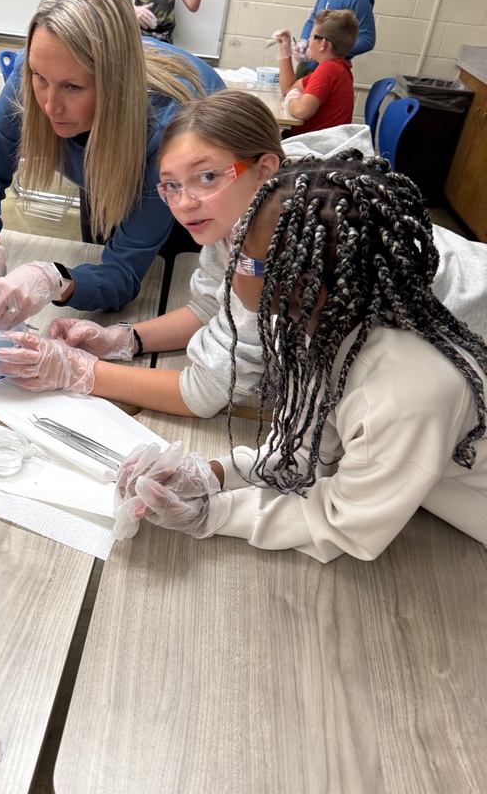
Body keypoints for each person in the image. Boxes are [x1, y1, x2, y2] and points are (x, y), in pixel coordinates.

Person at [0, 93, 487, 418]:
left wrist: (78, 371)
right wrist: (123, 339)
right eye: (169, 186)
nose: (184, 203)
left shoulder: (286, 245)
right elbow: (215, 306)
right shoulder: (246, 215)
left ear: (265, 167)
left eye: (207, 176)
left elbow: (207, 392)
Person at [113, 151, 487, 563]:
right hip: (419, 494)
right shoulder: (325, 331)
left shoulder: (404, 394)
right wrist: (211, 474)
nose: (230, 258)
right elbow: (310, 454)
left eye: (242, 253)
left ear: (300, 283)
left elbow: (346, 526)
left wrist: (212, 513)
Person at [0, 0, 226, 327]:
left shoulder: (164, 126)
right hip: (117, 156)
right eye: (40, 78)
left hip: (186, 187)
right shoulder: (34, 74)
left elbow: (123, 274)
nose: (50, 106)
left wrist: (55, 279)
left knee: (167, 287)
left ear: (115, 85)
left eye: (73, 86)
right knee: (94, 250)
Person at [273, 9, 358, 136]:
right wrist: (284, 50)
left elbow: (301, 111)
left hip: (313, 148)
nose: (309, 41)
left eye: (312, 37)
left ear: (323, 44)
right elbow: (288, 88)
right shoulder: (337, 68)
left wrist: (292, 98)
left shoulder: (328, 70)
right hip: (314, 142)